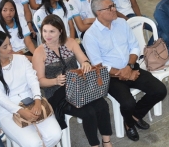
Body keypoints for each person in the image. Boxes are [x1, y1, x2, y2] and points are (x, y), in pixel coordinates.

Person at [82, 0, 167, 141]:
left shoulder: (121, 23)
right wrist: (123, 73)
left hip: (131, 67)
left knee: (160, 90)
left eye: (113, 5)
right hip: (110, 77)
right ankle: (129, 124)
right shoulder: (90, 36)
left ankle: (134, 116)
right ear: (98, 12)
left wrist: (129, 67)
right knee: (128, 102)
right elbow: (98, 65)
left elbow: (134, 46)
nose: (114, 9)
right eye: (110, 8)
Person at [32, 15, 113, 147]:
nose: (47, 35)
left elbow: (83, 59)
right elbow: (40, 81)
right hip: (57, 93)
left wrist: (86, 63)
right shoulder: (39, 52)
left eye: (52, 31)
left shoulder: (70, 42)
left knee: (102, 105)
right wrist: (55, 81)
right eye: (45, 31)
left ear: (61, 31)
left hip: (78, 86)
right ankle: (95, 145)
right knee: (88, 112)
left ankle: (106, 141)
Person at [0, 30, 63, 147]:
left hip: (32, 101)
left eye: (9, 43)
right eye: (5, 47)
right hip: (9, 111)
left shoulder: (21, 59)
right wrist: (21, 111)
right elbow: (1, 99)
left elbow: (33, 81)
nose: (10, 48)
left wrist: (38, 101)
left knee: (55, 135)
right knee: (34, 143)